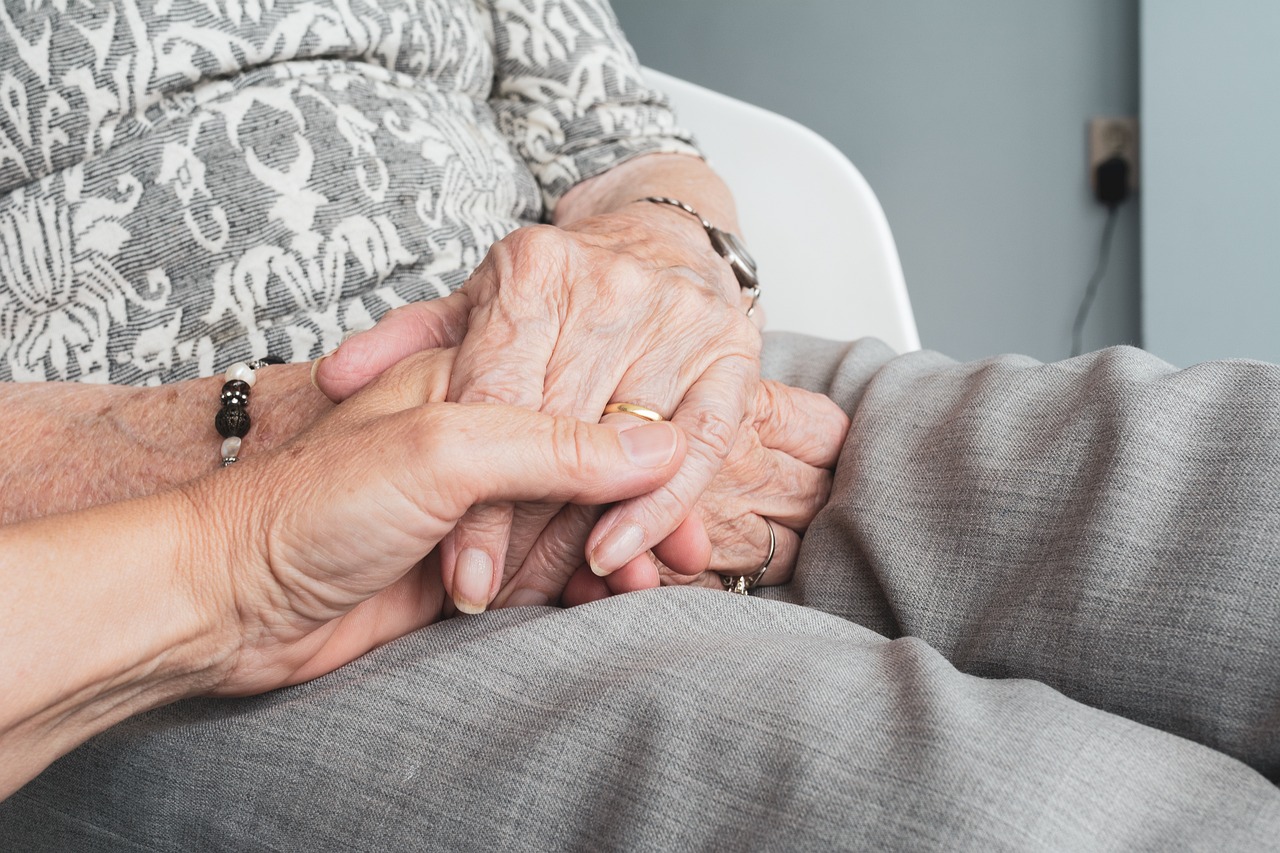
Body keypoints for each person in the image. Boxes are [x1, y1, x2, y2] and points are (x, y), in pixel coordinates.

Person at [2, 1, 1279, 850]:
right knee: (1011, 815)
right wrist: (257, 448)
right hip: (139, 543)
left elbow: (621, 138)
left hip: (611, 363)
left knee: (1234, 491)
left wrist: (659, 263)